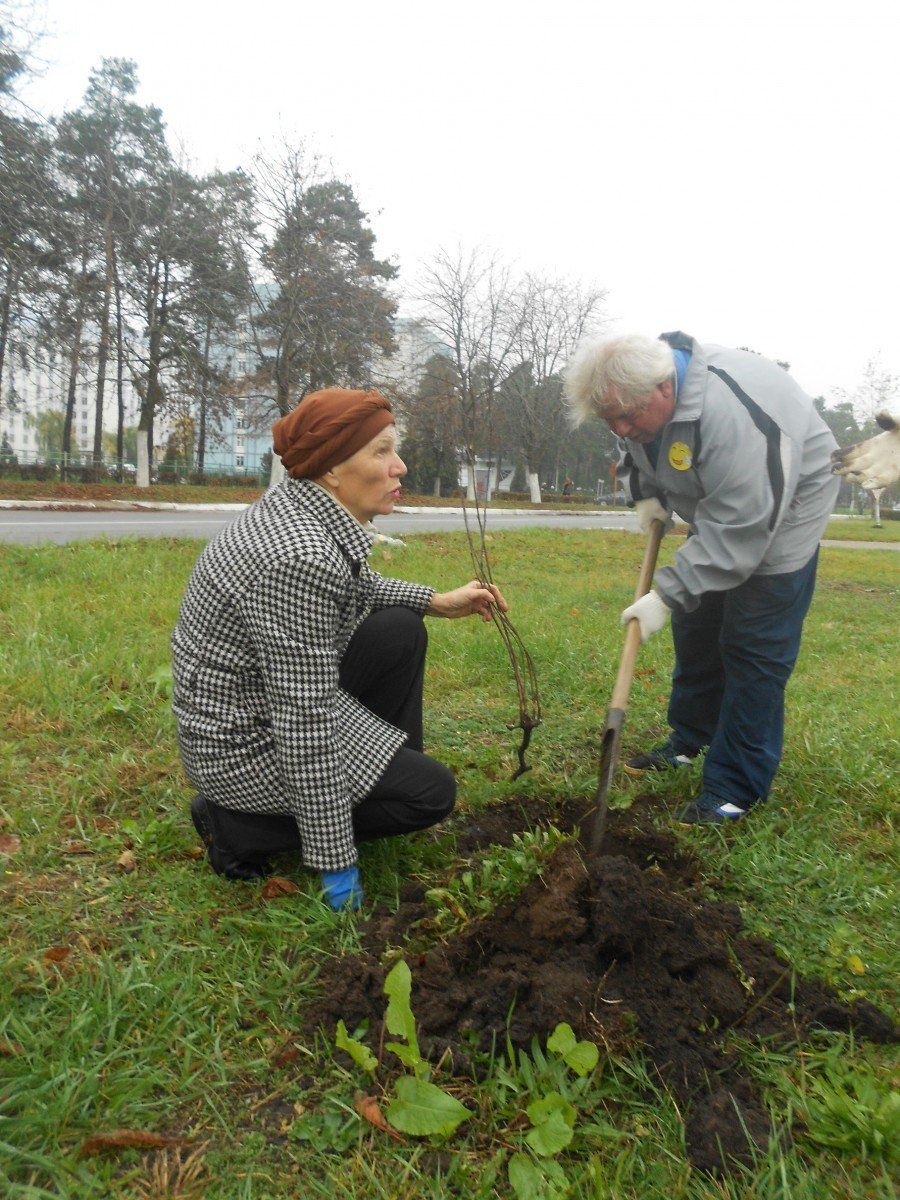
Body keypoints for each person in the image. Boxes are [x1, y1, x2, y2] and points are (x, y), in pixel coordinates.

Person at [172, 387, 506, 909]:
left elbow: (354, 587)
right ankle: (237, 828)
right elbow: (303, 726)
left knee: (399, 628)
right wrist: (336, 864)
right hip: (242, 745)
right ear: (331, 469)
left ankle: (377, 780)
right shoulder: (297, 557)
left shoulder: (303, 516)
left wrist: (436, 601)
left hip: (261, 705)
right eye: (381, 450)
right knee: (431, 794)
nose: (399, 467)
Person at [565, 331, 839, 824]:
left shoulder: (733, 416)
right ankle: (692, 737)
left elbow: (743, 527)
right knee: (697, 624)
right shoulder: (640, 403)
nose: (622, 428)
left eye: (628, 416)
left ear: (664, 388)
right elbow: (640, 453)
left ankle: (735, 785)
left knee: (752, 642)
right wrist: (646, 494)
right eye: (612, 421)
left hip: (786, 502)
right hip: (724, 501)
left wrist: (665, 594)